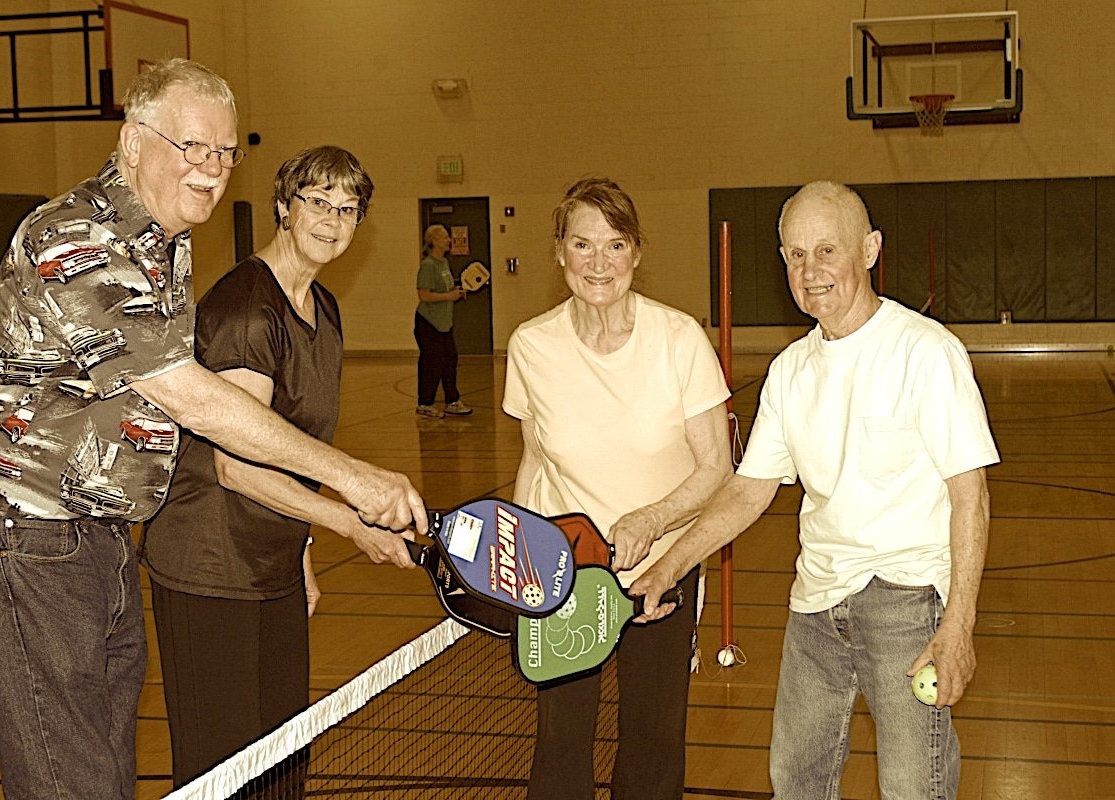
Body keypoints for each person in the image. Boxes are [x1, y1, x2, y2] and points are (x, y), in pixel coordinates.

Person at [0, 60, 425, 800]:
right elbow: (190, 399)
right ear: (133, 141)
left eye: (225, 152)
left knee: (103, 773)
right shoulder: (78, 236)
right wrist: (353, 481)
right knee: (68, 782)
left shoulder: (163, 245)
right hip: (23, 532)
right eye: (191, 146)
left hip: (98, 536)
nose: (212, 168)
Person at [632, 181, 998, 799]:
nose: (810, 271)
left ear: (870, 249)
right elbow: (748, 492)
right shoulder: (789, 371)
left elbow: (971, 495)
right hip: (815, 605)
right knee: (796, 782)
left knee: (915, 789)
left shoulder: (925, 352)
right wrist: (668, 567)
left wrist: (958, 626)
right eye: (796, 255)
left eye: (827, 250)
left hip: (908, 602)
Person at [141, 145, 416, 789]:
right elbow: (240, 469)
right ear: (284, 208)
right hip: (209, 566)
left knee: (283, 761)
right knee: (222, 773)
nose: (332, 220)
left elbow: (292, 448)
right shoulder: (246, 309)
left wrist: (302, 551)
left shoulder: (324, 308)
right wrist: (352, 523)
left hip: (273, 562)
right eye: (318, 202)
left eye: (348, 209)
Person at [503, 178, 733, 799]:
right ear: (559, 251)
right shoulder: (531, 345)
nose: (598, 262)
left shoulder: (679, 339)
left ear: (636, 251)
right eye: (582, 244)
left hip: (661, 568)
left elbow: (716, 467)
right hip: (565, 573)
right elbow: (534, 460)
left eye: (615, 244)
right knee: (560, 740)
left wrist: (651, 522)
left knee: (653, 741)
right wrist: (520, 565)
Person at [414, 223, 472, 418]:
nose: (449, 240)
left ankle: (452, 401)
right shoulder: (428, 265)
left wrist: (457, 292)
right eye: (445, 237)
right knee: (432, 364)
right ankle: (425, 404)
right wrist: (449, 296)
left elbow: (445, 290)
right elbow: (424, 295)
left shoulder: (444, 263)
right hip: (428, 323)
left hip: (444, 323)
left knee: (450, 361)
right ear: (435, 241)